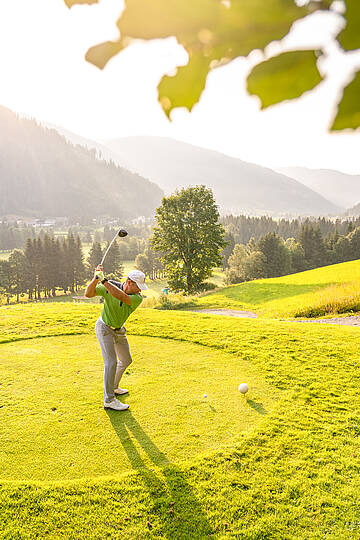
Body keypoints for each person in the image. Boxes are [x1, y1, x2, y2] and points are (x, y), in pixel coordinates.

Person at [85, 266, 147, 411]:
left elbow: (122, 297)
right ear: (130, 282)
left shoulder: (137, 298)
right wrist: (95, 279)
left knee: (126, 360)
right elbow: (88, 294)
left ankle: (113, 387)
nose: (140, 290)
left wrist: (104, 280)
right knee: (111, 362)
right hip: (104, 328)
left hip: (119, 330)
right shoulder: (109, 285)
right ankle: (109, 400)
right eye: (139, 286)